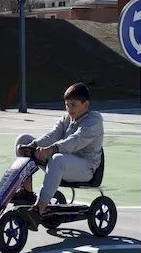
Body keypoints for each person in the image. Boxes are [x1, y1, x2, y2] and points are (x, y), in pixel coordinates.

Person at [11, 82, 103, 228]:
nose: (69, 109)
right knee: (23, 140)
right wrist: (33, 146)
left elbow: (75, 141)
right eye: (67, 105)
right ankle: (27, 193)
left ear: (86, 104)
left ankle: (38, 211)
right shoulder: (66, 118)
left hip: (86, 167)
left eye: (73, 105)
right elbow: (52, 135)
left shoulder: (94, 121)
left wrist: (51, 150)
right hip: (63, 162)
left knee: (57, 159)